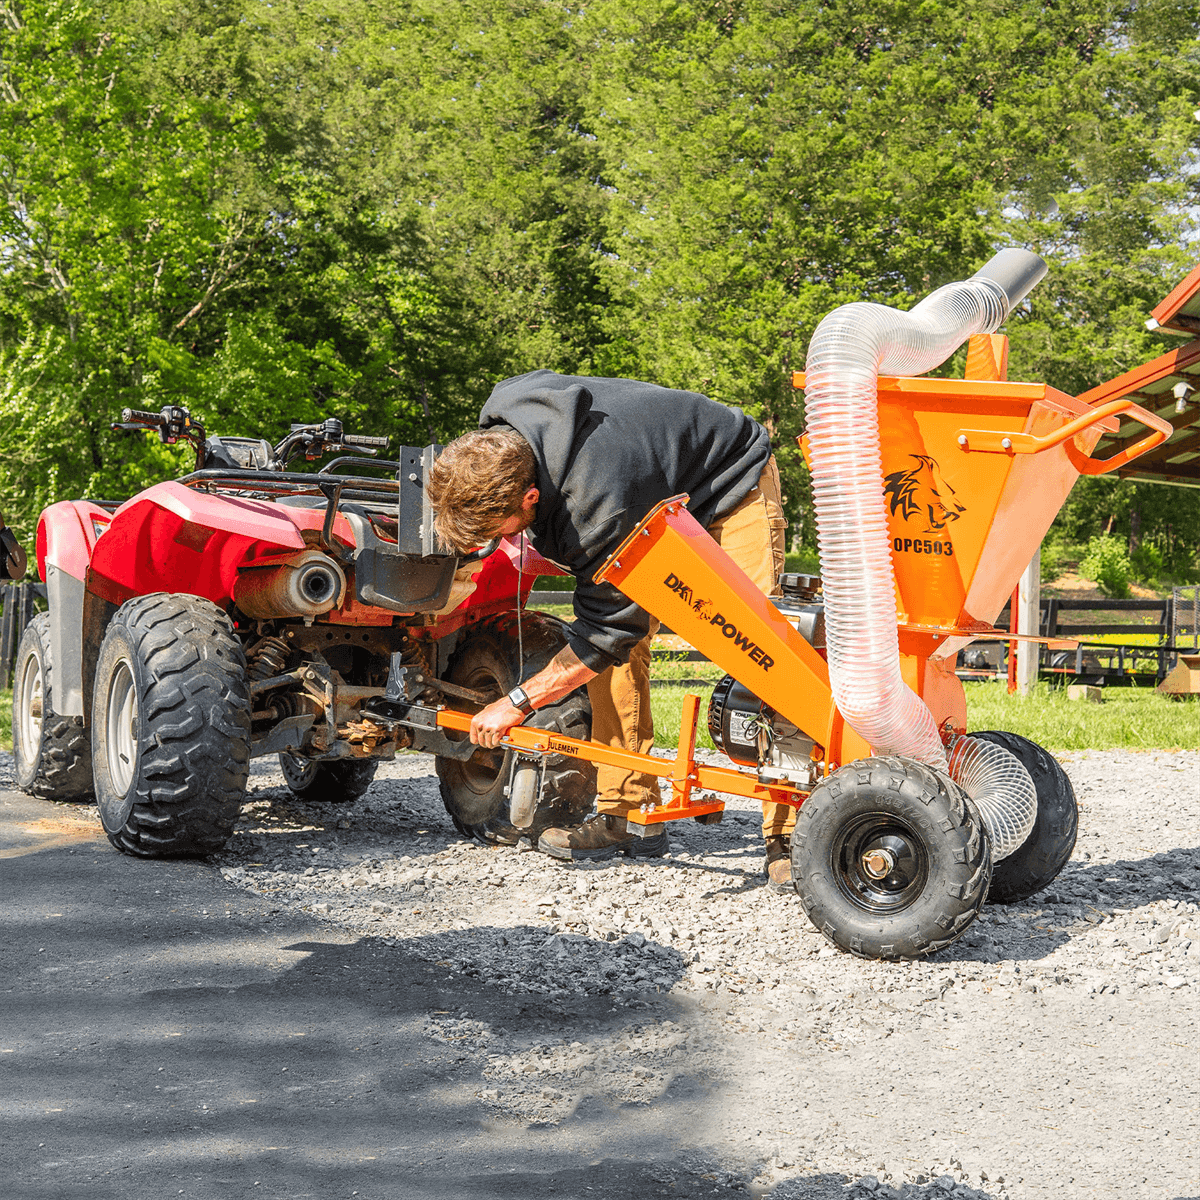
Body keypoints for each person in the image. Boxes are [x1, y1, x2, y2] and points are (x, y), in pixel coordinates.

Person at [426, 370, 795, 889]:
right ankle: (627, 813)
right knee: (614, 660)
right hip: (642, 483)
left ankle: (790, 829)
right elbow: (610, 642)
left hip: (726, 481)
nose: (491, 543)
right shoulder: (502, 415)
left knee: (761, 652)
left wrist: (515, 701)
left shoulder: (594, 505)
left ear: (530, 498)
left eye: (495, 532)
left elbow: (605, 633)